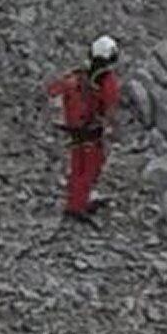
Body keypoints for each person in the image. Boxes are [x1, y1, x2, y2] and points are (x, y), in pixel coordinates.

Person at [46, 36, 121, 220]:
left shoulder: (81, 74)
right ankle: (78, 206)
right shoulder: (107, 79)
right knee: (90, 168)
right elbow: (110, 106)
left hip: (75, 128)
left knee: (77, 165)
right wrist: (110, 129)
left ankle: (75, 201)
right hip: (91, 130)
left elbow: (54, 90)